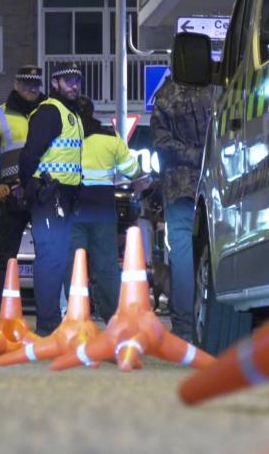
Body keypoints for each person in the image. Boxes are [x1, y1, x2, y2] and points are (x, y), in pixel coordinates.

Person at [0, 65, 46, 318]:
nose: (32, 88)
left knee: (49, 258)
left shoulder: (51, 112)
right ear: (16, 85)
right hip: (12, 197)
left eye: (36, 84)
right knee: (6, 259)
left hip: (43, 195)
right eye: (26, 84)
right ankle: (0, 319)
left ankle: (49, 320)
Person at [19, 62, 85, 336]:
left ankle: (53, 321)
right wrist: (30, 187)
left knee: (59, 259)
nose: (74, 85)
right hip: (49, 195)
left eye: (77, 80)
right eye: (68, 80)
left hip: (65, 197)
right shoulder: (50, 112)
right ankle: (47, 326)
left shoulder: (73, 115)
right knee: (51, 260)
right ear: (55, 83)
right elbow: (29, 155)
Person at [64, 96, 142, 321]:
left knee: (74, 264)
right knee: (106, 265)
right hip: (103, 210)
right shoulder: (110, 137)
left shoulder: (66, 137)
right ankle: (112, 317)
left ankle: (76, 315)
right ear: (93, 113)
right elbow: (131, 169)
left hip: (74, 208)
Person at [150, 73, 214, 342]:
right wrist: (205, 154)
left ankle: (185, 326)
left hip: (179, 186)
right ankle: (212, 320)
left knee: (182, 254)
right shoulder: (216, 89)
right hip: (216, 181)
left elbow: (161, 143)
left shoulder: (166, 95)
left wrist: (191, 154)